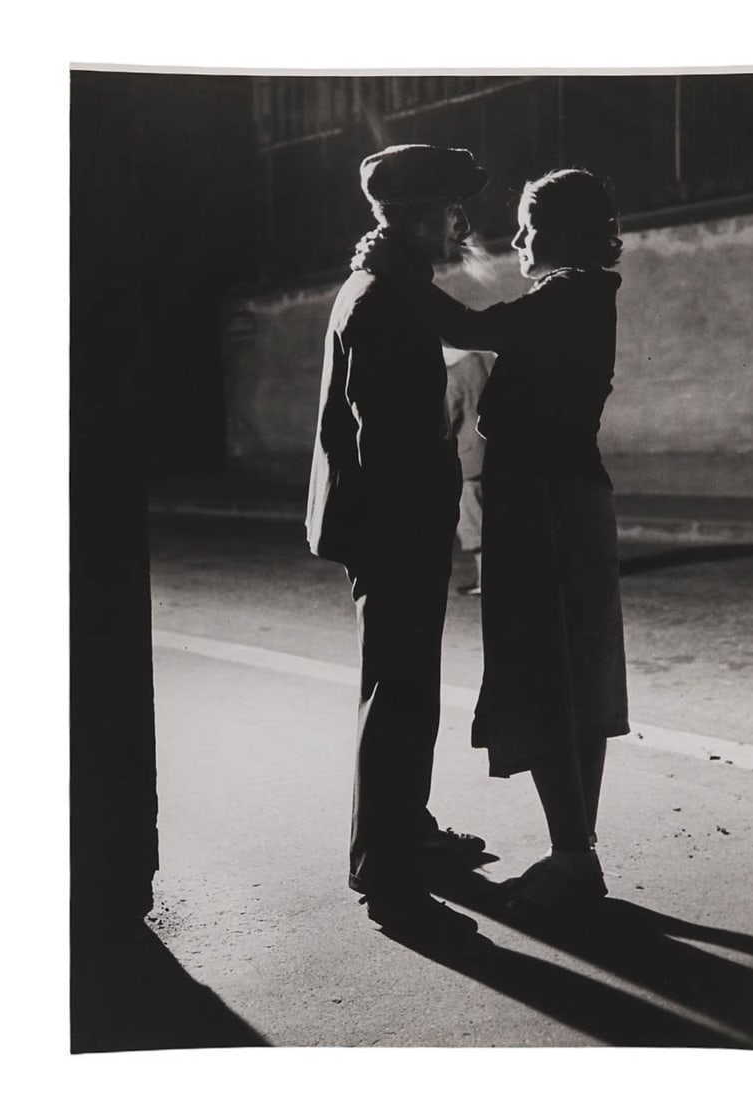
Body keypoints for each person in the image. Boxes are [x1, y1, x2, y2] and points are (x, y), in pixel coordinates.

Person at [353, 168, 630, 912]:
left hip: (538, 501)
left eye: (529, 228)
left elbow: (467, 328)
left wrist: (391, 268)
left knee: (543, 671)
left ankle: (573, 858)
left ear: (563, 232)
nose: (517, 242)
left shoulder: (564, 294)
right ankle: (579, 849)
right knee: (579, 674)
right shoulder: (587, 294)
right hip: (578, 493)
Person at [305, 144, 491, 939]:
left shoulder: (394, 283)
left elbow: (476, 326)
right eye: (451, 209)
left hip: (396, 523)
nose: (462, 224)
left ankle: (403, 833)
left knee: (405, 690)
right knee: (398, 693)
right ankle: (385, 873)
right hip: (394, 527)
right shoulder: (383, 297)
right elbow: (385, 436)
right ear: (418, 216)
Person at [444, 347, 491, 595]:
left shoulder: (452, 376)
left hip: (466, 458)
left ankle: (486, 580)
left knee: (473, 522)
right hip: (486, 450)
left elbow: (447, 419)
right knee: (488, 517)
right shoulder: (477, 364)